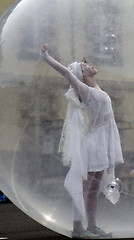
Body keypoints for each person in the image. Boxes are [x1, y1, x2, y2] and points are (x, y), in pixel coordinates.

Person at [41, 44, 124, 238]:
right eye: (84, 66)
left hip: (102, 142)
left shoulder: (95, 87)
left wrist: (83, 65)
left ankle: (92, 225)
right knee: (85, 187)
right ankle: (78, 228)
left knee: (94, 189)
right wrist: (46, 57)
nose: (89, 64)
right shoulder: (85, 90)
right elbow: (66, 73)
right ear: (82, 75)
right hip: (94, 143)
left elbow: (81, 71)